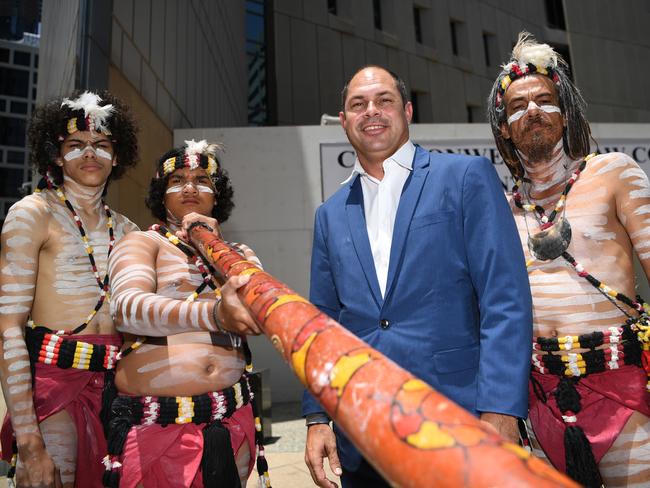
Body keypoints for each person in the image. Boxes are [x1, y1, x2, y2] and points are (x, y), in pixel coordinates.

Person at [302, 65, 533, 487]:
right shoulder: (329, 215)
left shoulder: (465, 178)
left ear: (407, 110)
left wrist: (501, 408)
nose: (371, 111)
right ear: (344, 121)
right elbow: (321, 322)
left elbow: (505, 298)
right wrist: (317, 417)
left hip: (460, 424)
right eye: (358, 104)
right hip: (362, 435)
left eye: (384, 100)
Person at [487, 32, 650, 487]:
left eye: (544, 99)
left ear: (566, 111)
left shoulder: (614, 173)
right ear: (503, 126)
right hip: (540, 405)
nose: (531, 111)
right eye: (517, 106)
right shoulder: (500, 210)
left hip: (623, 394)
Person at [104, 140, 269, 488]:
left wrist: (215, 248)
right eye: (177, 179)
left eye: (202, 179)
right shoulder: (141, 243)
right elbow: (126, 308)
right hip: (158, 429)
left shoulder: (238, 253)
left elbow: (260, 309)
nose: (190, 187)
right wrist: (215, 316)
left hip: (231, 420)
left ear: (216, 195)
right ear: (161, 195)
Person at [0, 91, 139, 487]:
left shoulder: (130, 230)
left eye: (102, 145)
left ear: (118, 155)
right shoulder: (32, 214)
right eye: (75, 145)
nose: (90, 154)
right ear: (57, 156)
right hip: (54, 385)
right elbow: (8, 326)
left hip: (119, 392)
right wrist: (29, 442)